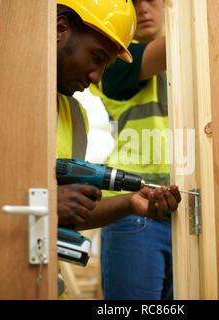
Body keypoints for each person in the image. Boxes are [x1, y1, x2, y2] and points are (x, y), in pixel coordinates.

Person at [55, 0, 181, 298]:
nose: (142, 9)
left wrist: (130, 201)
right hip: (137, 225)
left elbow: (69, 211)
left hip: (170, 210)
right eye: (97, 58)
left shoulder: (74, 116)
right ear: (60, 29)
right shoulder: (124, 65)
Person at [89, 0, 172, 300]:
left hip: (187, 210)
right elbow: (172, 47)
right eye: (133, 2)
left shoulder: (195, 67)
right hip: (135, 212)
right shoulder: (114, 62)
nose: (143, 9)